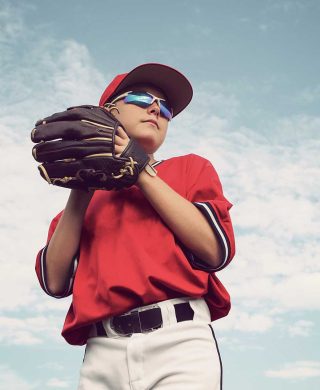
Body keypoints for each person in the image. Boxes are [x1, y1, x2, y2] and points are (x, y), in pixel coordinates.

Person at [35, 63, 235, 390]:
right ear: (110, 112)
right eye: (142, 98)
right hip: (103, 352)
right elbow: (55, 282)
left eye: (166, 107)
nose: (157, 108)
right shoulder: (83, 202)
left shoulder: (189, 168)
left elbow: (215, 252)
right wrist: (81, 188)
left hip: (179, 342)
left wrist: (139, 168)